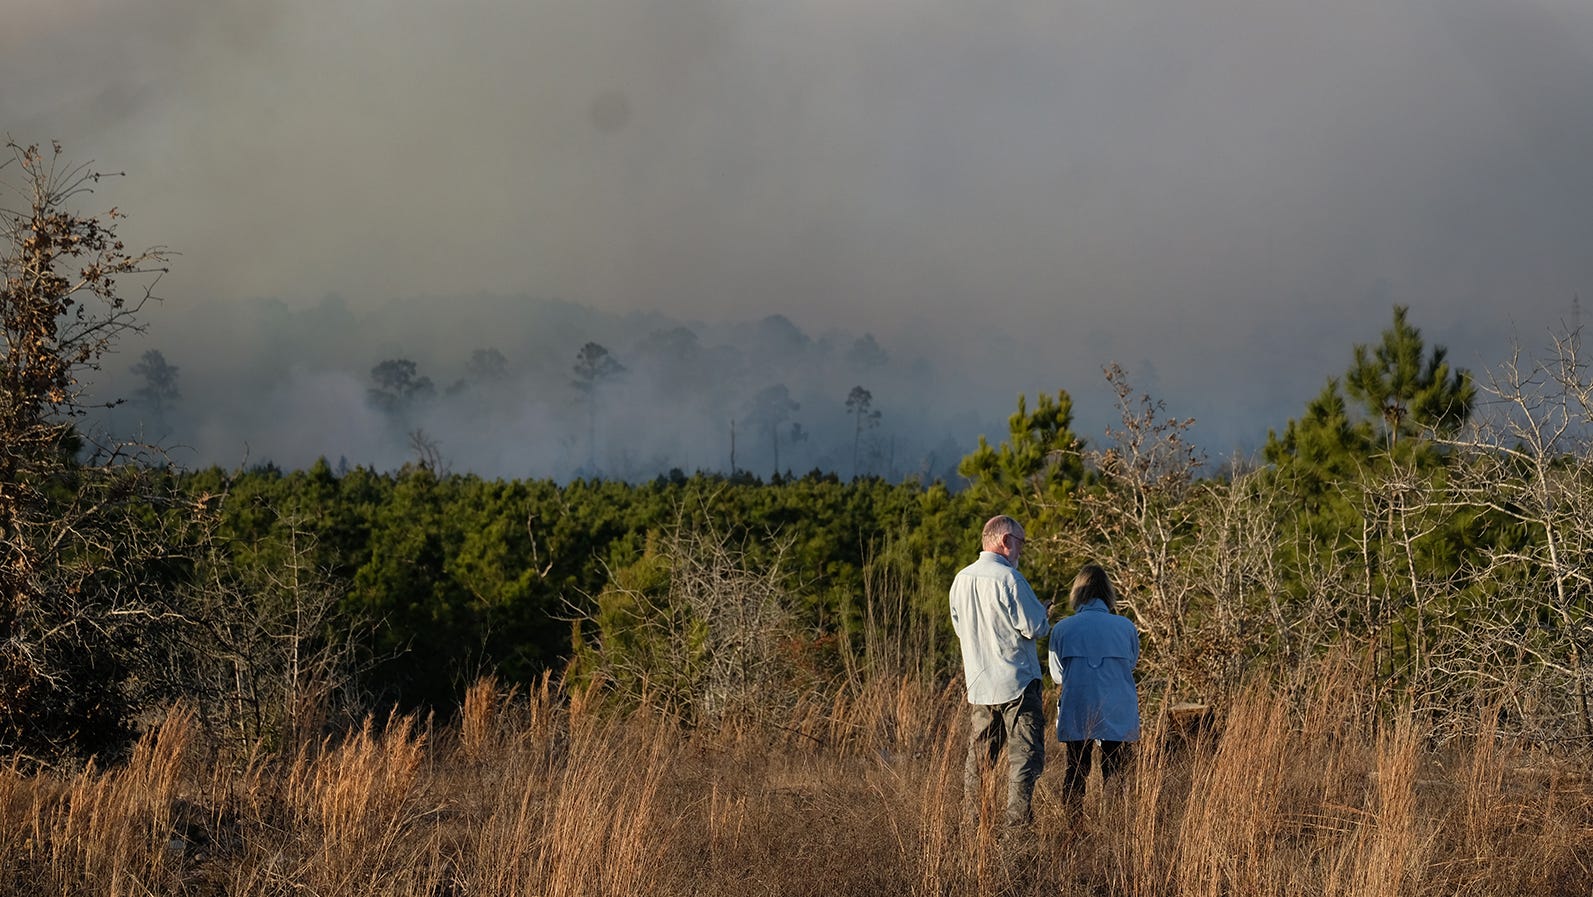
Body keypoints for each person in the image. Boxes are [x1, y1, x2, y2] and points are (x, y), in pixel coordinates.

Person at [949, 515, 1053, 827]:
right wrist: (1045, 612)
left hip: (980, 684)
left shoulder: (961, 580)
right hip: (1017, 682)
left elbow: (959, 628)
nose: (1021, 550)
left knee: (979, 760)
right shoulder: (1010, 579)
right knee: (1024, 758)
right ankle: (1016, 832)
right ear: (1005, 541)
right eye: (1020, 542)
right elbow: (1035, 627)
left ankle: (973, 826)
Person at [1048, 562, 1140, 802]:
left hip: (1078, 705)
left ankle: (1073, 828)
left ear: (1077, 593)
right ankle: (1114, 824)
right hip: (1118, 706)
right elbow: (1130, 664)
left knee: (1076, 770)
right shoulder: (1126, 627)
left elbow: (1057, 675)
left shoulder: (1062, 628)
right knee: (1116, 769)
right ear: (1108, 593)